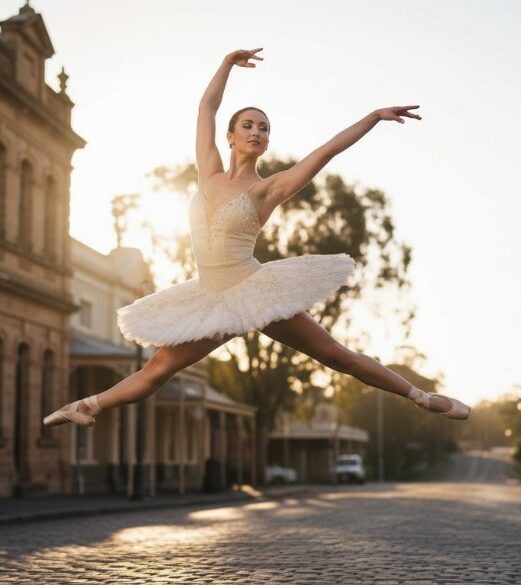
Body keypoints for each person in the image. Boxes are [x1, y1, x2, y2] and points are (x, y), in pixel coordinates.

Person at [44, 48, 470, 428]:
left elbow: (325, 152)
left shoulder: (268, 189)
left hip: (253, 290)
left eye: (263, 129)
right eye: (247, 125)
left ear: (266, 143)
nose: (256, 132)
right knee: (157, 368)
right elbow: (206, 109)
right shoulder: (208, 172)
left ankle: (421, 397)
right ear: (231, 136)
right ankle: (87, 406)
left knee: (335, 356)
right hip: (209, 298)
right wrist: (226, 65)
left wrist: (373, 117)